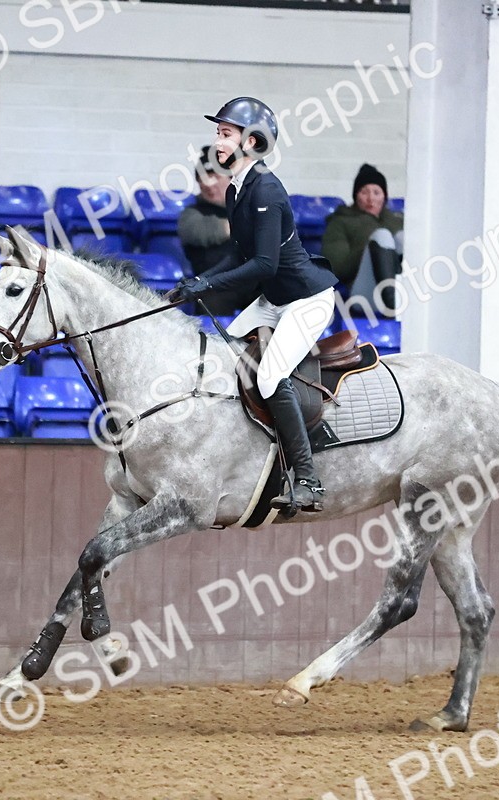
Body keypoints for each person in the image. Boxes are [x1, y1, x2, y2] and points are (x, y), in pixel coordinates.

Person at [173, 97, 337, 513]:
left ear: (251, 141)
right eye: (218, 133)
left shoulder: (266, 189)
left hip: (306, 301)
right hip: (274, 299)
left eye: (225, 134)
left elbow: (264, 264)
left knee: (268, 377)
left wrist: (208, 282)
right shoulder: (236, 188)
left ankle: (308, 479)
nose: (217, 141)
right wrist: (198, 283)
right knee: (224, 354)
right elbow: (238, 254)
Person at [176, 146, 256, 314]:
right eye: (203, 179)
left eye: (216, 177)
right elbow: (199, 231)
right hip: (215, 285)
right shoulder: (192, 214)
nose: (208, 185)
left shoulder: (247, 207)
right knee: (210, 300)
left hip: (253, 282)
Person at [321, 163, 404, 315]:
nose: (370, 198)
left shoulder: (397, 221)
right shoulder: (340, 222)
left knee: (401, 236)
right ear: (356, 196)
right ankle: (394, 306)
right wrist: (369, 247)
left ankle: (405, 297)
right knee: (382, 236)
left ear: (384, 197)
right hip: (364, 294)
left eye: (376, 192)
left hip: (404, 288)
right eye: (364, 192)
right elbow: (336, 269)